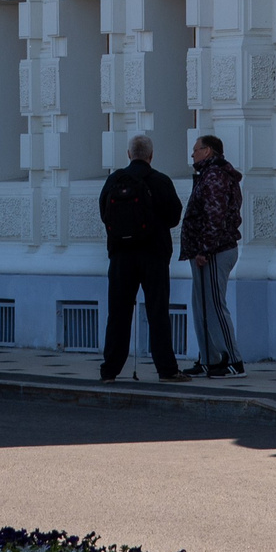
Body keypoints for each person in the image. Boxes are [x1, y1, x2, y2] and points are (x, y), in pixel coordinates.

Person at [97, 133, 184, 382]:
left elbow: (105, 214)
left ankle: (110, 370)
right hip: (154, 256)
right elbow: (174, 217)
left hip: (120, 258)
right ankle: (166, 369)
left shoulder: (113, 180)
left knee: (118, 314)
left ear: (128, 155)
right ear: (151, 156)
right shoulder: (160, 181)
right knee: (158, 313)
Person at [180, 134, 246, 377]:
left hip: (215, 252)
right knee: (202, 306)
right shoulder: (208, 175)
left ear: (208, 151)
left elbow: (214, 216)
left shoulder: (216, 175)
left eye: (196, 149)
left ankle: (234, 362)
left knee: (216, 305)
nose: (192, 154)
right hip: (206, 251)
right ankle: (209, 358)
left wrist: (204, 249)